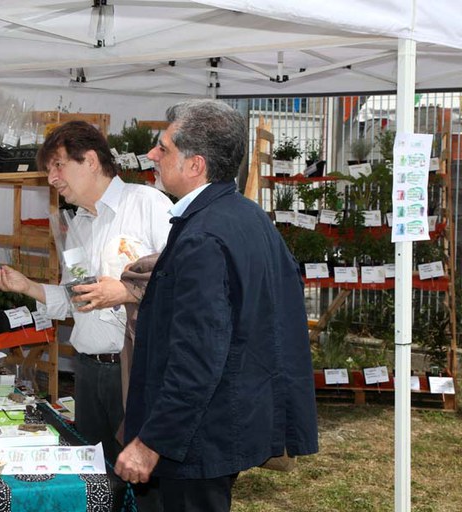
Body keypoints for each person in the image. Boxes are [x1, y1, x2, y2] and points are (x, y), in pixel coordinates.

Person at [115, 99, 319, 511]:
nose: (152, 156)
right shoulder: (246, 215)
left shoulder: (204, 237)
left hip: (196, 440)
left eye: (164, 148)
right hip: (221, 426)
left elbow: (197, 356)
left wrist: (152, 442)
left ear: (196, 165)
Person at [0, 120, 173, 463]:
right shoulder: (78, 227)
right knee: (98, 481)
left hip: (134, 372)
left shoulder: (148, 205)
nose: (52, 179)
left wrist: (126, 292)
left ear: (89, 160)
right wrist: (25, 286)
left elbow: (181, 284)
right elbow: (76, 302)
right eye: (48, 171)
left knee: (144, 483)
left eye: (57, 166)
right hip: (87, 374)